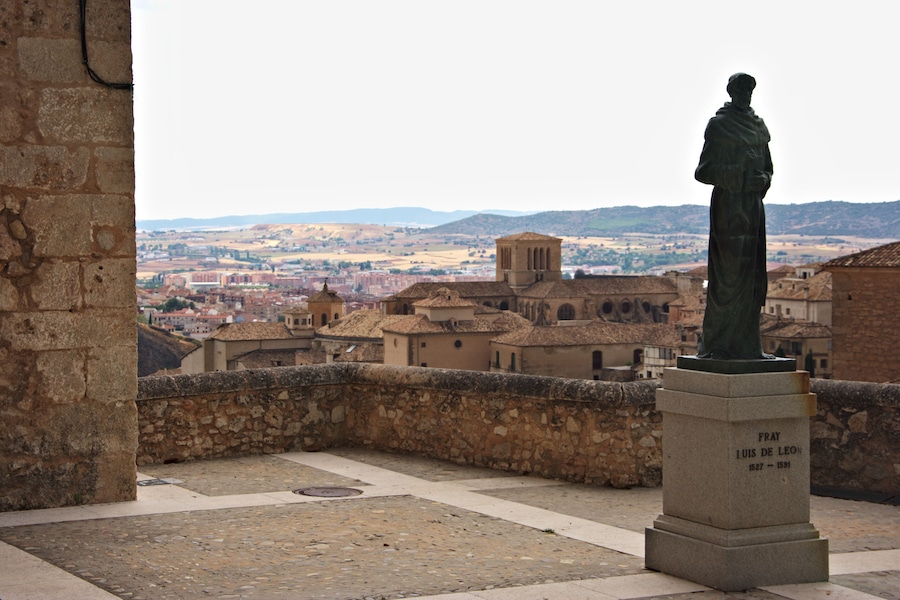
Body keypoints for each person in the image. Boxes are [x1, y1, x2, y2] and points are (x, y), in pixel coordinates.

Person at [695, 73, 773, 360]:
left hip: (752, 208)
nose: (745, 94)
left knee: (751, 276)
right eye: (740, 89)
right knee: (726, 277)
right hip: (728, 207)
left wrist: (760, 179)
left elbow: (768, 170)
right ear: (731, 92)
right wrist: (739, 173)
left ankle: (749, 346)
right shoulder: (719, 125)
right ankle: (718, 345)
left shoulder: (759, 126)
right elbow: (703, 171)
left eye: (749, 89)